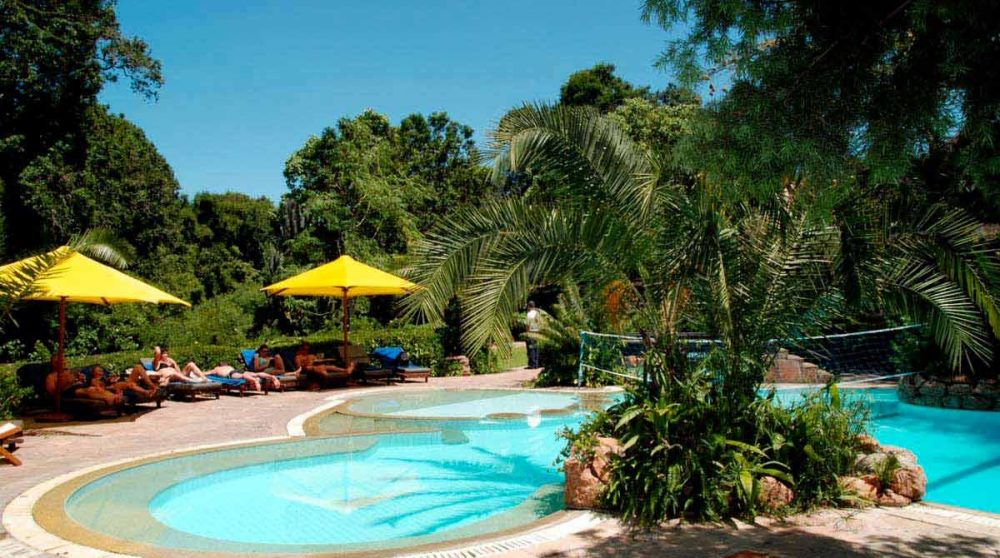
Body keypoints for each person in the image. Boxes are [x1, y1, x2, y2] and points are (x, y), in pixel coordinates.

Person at [45, 357, 123, 407]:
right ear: (54, 364)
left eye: (64, 360)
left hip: (79, 386)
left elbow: (78, 379)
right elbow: (52, 392)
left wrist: (80, 378)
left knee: (96, 389)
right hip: (68, 391)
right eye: (61, 360)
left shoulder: (69, 372)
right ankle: (112, 400)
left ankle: (114, 398)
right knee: (91, 390)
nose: (64, 361)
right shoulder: (51, 376)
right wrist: (66, 384)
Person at [525, 300, 541, 369]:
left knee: (531, 348)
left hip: (531, 332)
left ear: (529, 306)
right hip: (537, 332)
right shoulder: (537, 313)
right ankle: (536, 364)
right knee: (536, 348)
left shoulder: (529, 314)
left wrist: (527, 333)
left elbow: (527, 325)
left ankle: (532, 364)